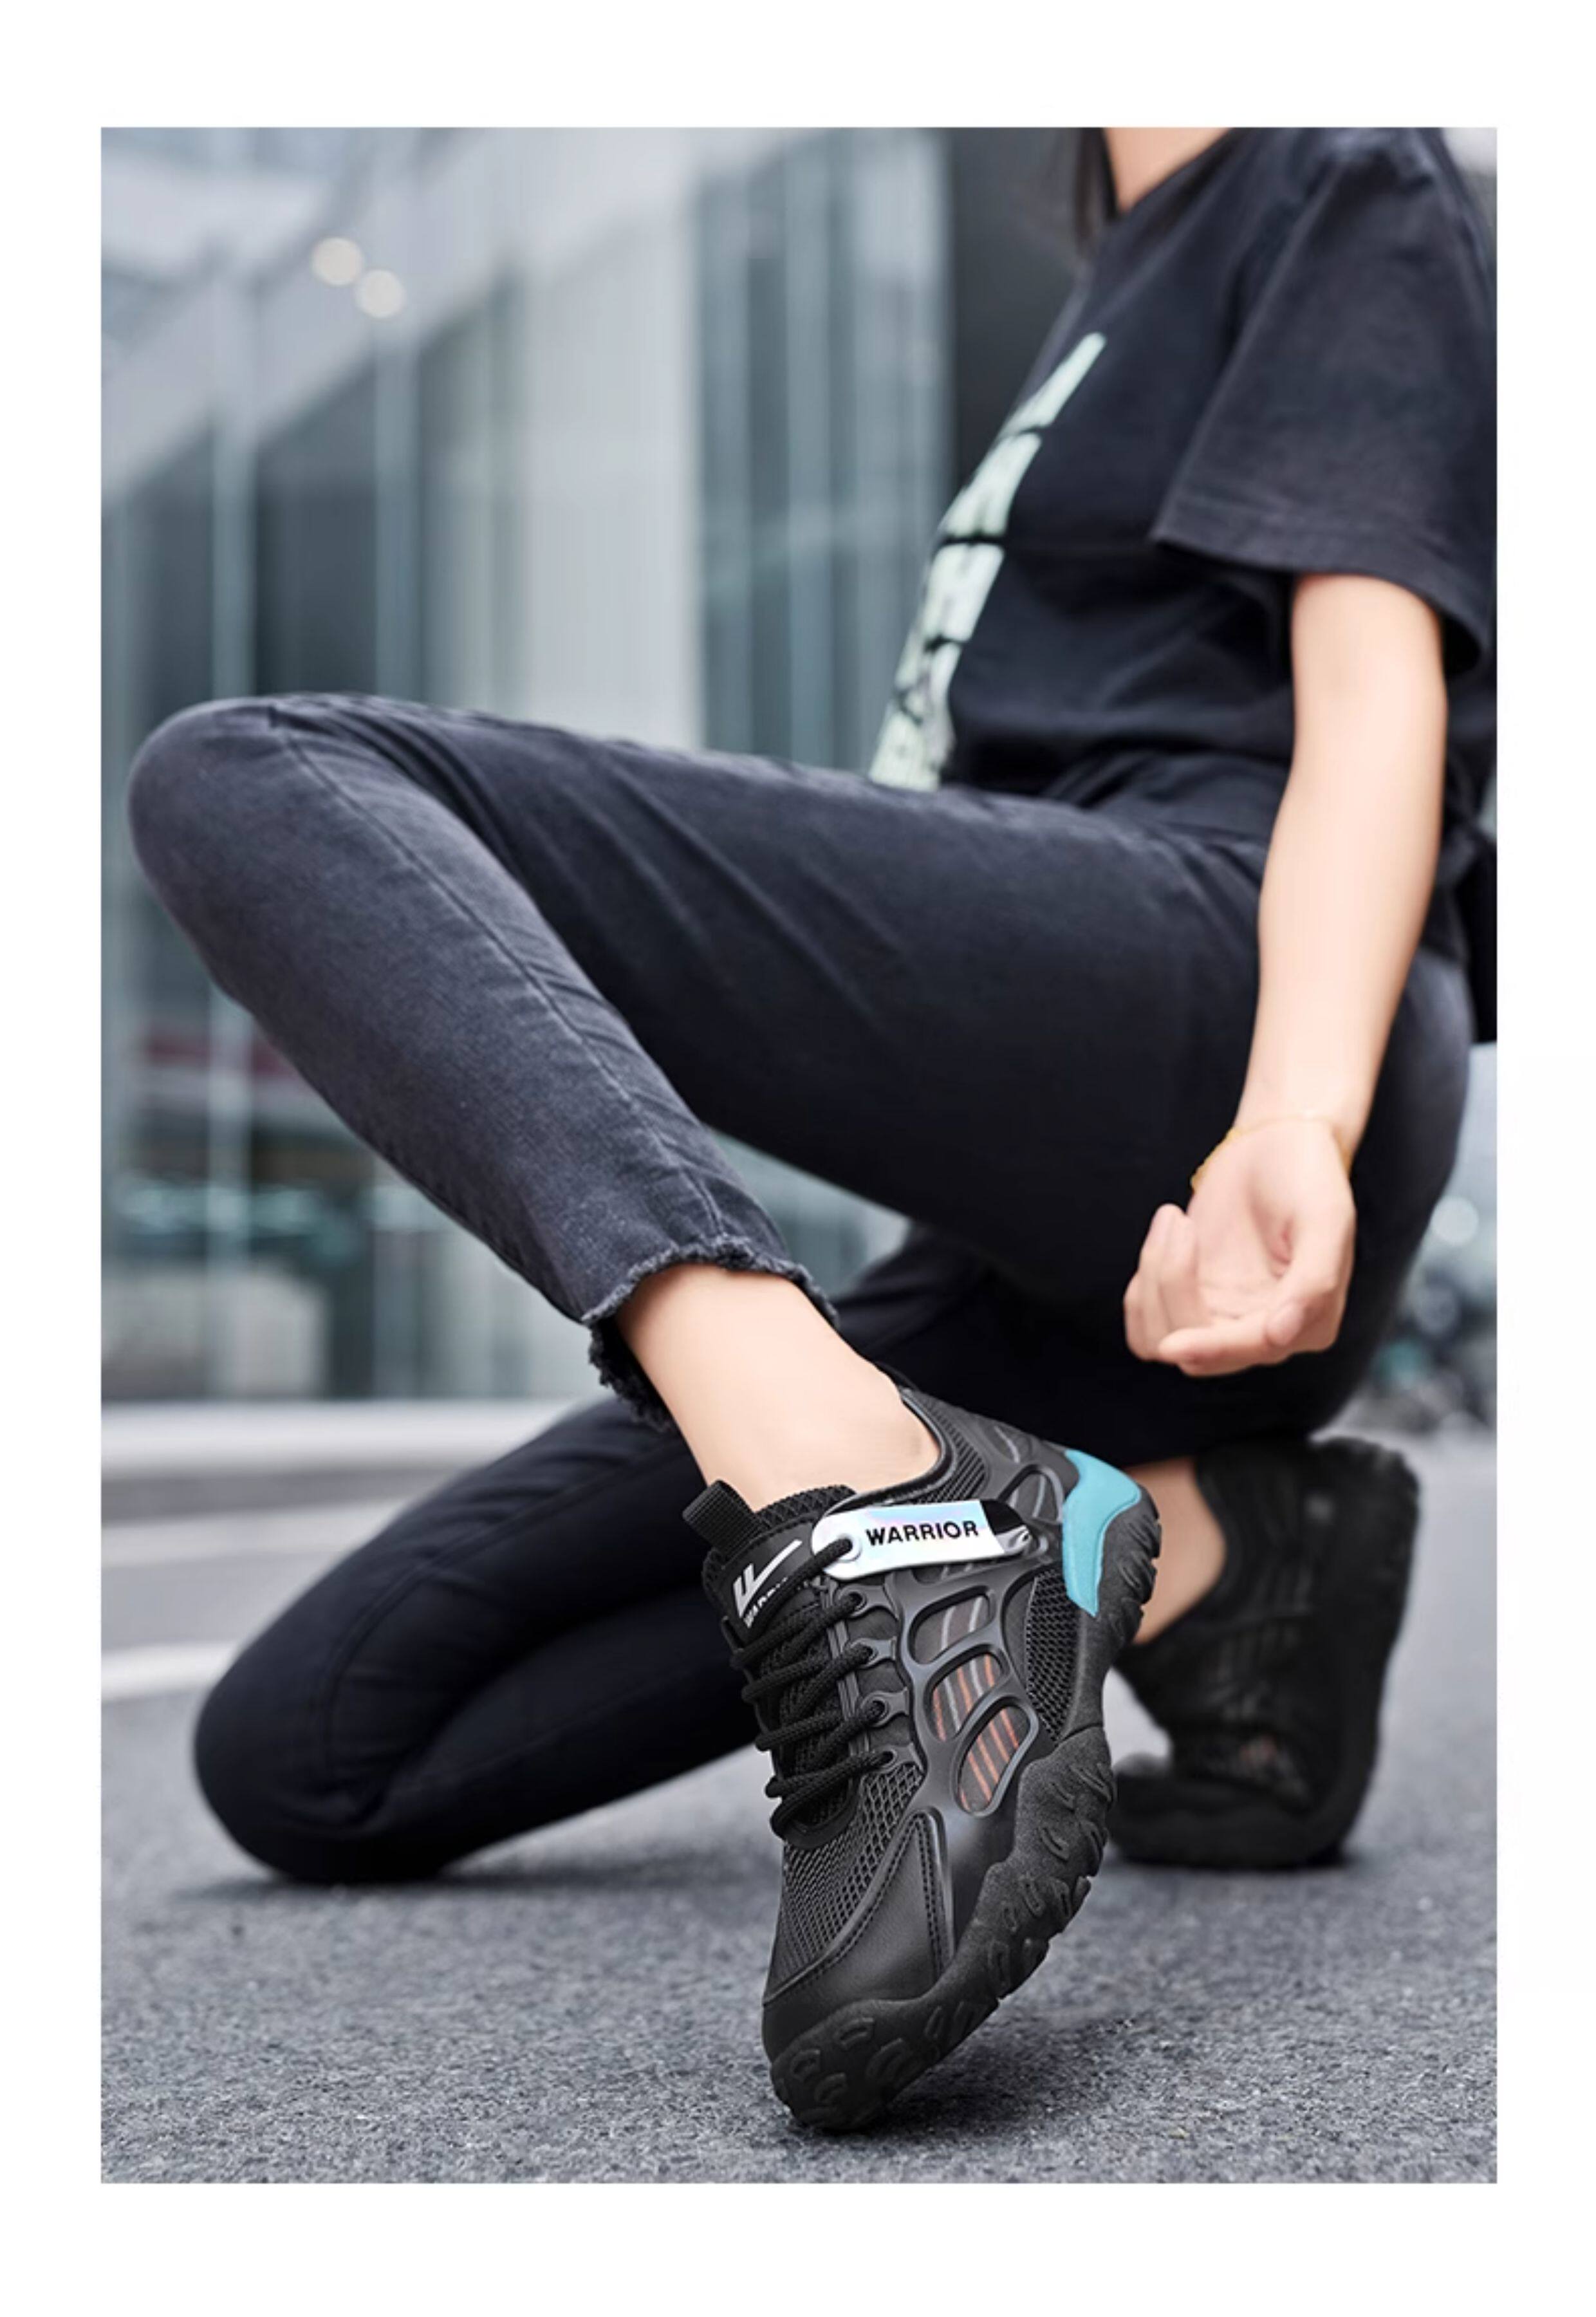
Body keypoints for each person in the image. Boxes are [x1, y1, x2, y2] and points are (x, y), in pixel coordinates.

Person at [127, 126, 1495, 2131]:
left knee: (258, 779)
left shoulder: (1341, 167)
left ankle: (871, 1506)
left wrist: (1295, 1112)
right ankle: (1207, 1546)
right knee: (310, 1753)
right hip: (1068, 1224)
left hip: (1234, 1020)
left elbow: (1379, 700)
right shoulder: (1113, 272)